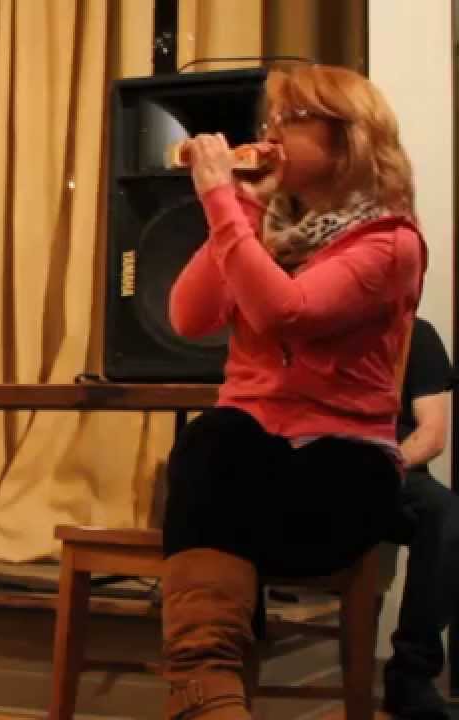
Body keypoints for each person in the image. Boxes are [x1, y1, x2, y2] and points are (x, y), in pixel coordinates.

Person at [161, 62, 425, 719]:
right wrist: (243, 204)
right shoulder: (259, 230)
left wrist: (222, 202)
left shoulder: (391, 245)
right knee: (215, 434)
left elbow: (289, 312)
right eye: (269, 120)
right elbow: (189, 318)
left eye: (294, 119)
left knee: (224, 470)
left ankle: (206, 691)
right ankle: (207, 693)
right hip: (252, 468)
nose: (270, 133)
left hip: (338, 477)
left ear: (350, 139)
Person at [382, 317, 458, 719]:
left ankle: (410, 675)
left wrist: (384, 468)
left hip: (395, 468)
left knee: (446, 515)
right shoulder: (313, 320)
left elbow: (432, 433)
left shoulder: (416, 335)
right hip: (322, 465)